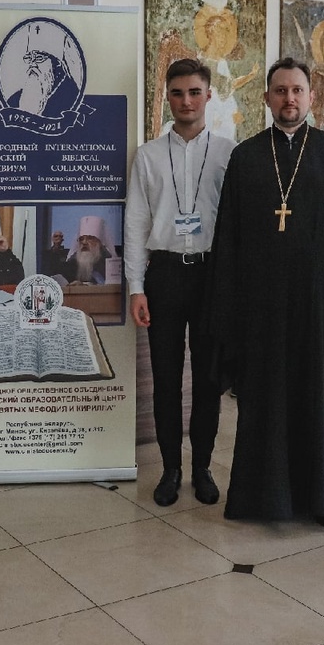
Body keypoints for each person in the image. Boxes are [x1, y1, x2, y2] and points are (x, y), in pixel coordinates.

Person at [209, 57, 324, 530]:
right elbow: (228, 240)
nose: (289, 99)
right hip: (261, 309)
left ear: (311, 96)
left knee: (315, 403)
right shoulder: (246, 157)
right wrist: (230, 309)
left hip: (317, 309)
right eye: (281, 91)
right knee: (263, 402)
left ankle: (322, 500)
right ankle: (259, 499)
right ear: (267, 98)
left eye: (297, 90)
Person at [126, 59, 236, 506]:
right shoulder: (148, 156)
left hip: (213, 276)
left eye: (194, 92)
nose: (186, 101)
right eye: (177, 93)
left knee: (209, 380)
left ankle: (202, 467)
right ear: (167, 97)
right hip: (166, 275)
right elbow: (136, 222)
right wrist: (136, 287)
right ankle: (170, 469)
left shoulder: (230, 154)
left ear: (209, 95)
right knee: (166, 378)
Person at [62, 216, 115, 284]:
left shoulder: (108, 262)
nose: (84, 242)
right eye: (81, 239)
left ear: (99, 242)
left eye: (90, 238)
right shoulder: (72, 262)